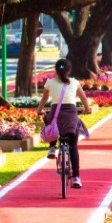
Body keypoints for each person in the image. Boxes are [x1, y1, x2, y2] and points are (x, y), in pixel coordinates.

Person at [36, 58, 91, 188]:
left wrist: (39, 110)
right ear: (69, 70)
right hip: (71, 115)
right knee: (73, 147)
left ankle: (52, 148)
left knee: (50, 121)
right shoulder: (75, 82)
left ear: (56, 69)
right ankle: (76, 177)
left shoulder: (50, 82)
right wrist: (87, 109)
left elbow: (44, 98)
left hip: (56, 113)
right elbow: (83, 98)